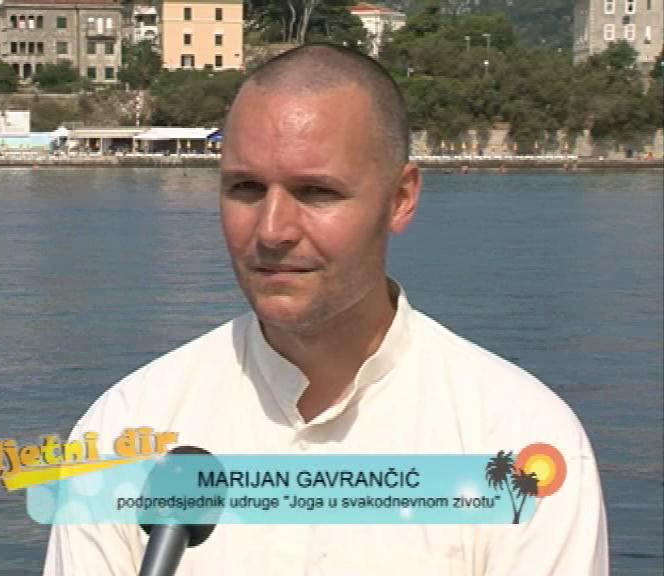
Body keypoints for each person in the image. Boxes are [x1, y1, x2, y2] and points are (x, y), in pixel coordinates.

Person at [43, 44, 608, 575]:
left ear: (400, 199)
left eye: (316, 193)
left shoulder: (518, 439)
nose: (272, 230)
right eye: (245, 188)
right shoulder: (124, 430)